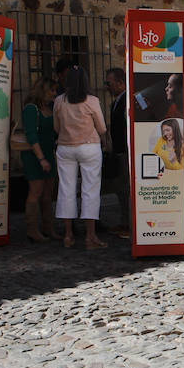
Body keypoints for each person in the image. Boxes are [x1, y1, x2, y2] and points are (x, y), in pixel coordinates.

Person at [54, 65, 108, 250]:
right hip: (89, 147)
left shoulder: (59, 101)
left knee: (66, 190)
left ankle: (68, 235)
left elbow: (56, 127)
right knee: (90, 190)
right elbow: (101, 128)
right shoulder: (92, 101)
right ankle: (90, 236)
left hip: (65, 148)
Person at [19, 76, 58, 242]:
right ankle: (32, 229)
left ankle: (48, 228)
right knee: (36, 191)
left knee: (48, 193)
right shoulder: (31, 109)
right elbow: (31, 135)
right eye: (52, 90)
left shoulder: (50, 109)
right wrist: (41, 158)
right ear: (43, 91)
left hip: (49, 153)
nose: (54, 94)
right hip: (35, 156)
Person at [104, 67, 130, 238]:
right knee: (120, 190)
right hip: (119, 151)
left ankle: (128, 224)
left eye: (109, 83)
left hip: (126, 152)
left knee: (126, 190)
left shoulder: (128, 101)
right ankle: (124, 221)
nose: (107, 87)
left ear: (120, 83)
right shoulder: (115, 102)